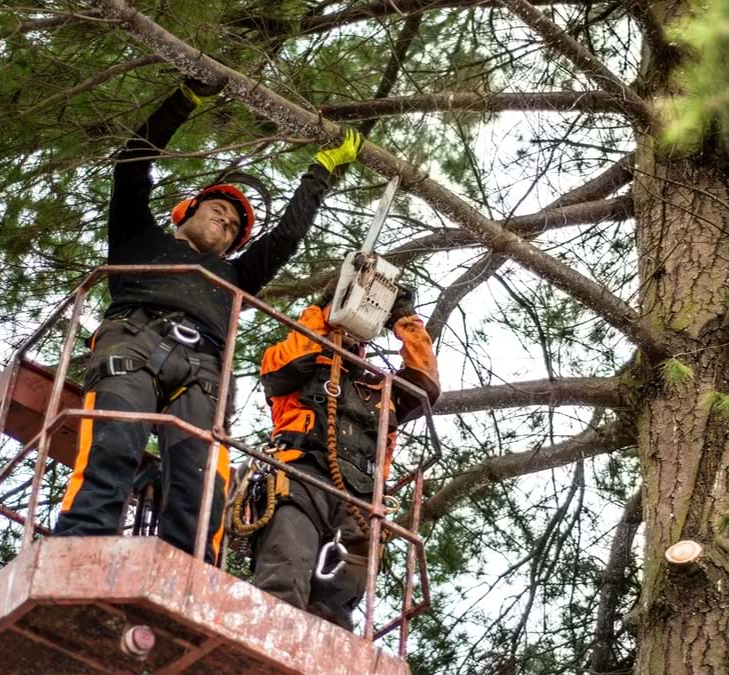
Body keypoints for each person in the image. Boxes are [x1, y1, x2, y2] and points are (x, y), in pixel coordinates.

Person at [54, 76, 363, 564]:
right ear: (185, 212)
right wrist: (184, 99)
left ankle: (188, 569)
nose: (228, 221)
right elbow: (132, 164)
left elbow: (284, 239)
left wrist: (319, 173)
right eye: (220, 210)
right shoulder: (138, 237)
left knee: (202, 478)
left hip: (202, 368)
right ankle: (76, 551)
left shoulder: (236, 275)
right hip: (133, 342)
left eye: (236, 226)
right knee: (113, 443)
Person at [249, 284, 440, 629]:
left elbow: (425, 383)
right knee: (284, 575)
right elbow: (293, 360)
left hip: (361, 501)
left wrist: (405, 320)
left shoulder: (382, 390)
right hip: (300, 478)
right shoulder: (298, 365)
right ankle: (266, 643)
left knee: (339, 608)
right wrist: (320, 307)